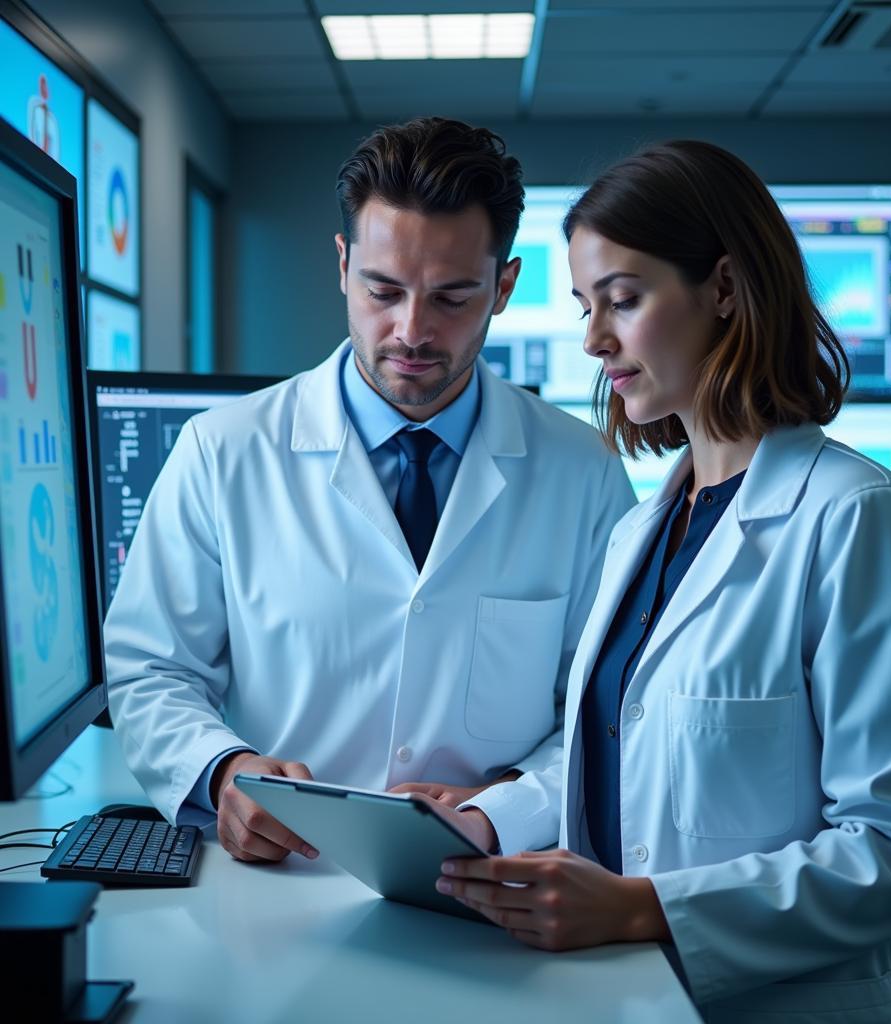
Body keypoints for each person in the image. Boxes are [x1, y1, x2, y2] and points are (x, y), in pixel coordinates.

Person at [421, 140, 891, 1022]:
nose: (595, 340)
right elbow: (633, 762)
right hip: (626, 995)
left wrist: (644, 908)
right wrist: (494, 815)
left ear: (722, 287)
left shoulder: (856, 517)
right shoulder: (644, 528)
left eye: (623, 301)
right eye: (585, 307)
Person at [104, 117, 636, 863]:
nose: (412, 331)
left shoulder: (584, 472)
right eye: (384, 290)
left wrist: (511, 803)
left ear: (504, 286)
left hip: (491, 888)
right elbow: (152, 669)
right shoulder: (223, 452)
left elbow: (607, 712)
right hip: (279, 888)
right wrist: (223, 773)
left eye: (452, 298)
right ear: (343, 264)